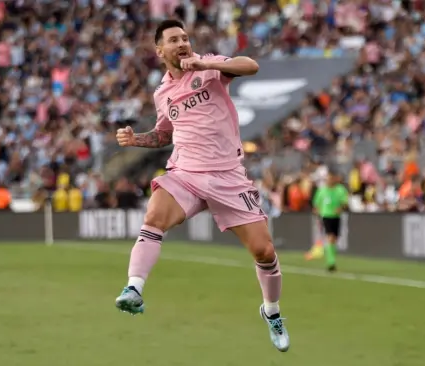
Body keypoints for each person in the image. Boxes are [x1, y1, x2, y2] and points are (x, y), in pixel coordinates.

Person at [115, 19, 289, 352]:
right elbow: (165, 133)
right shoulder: (163, 92)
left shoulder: (211, 67)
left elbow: (251, 65)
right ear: (160, 50)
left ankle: (271, 311)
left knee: (264, 252)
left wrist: (206, 63)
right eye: (173, 40)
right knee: (154, 217)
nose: (182, 43)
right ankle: (133, 289)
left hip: (228, 176)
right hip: (187, 173)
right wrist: (136, 139)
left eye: (184, 38)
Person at [312, 169, 348, 272]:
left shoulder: (340, 190)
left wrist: (341, 207)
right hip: (326, 216)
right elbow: (316, 204)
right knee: (330, 238)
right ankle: (331, 262)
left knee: (334, 239)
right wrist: (317, 212)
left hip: (336, 217)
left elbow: (345, 202)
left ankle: (331, 259)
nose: (329, 180)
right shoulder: (322, 190)